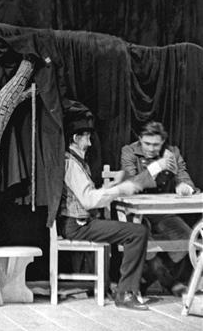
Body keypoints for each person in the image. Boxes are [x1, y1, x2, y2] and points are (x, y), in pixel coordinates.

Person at [59, 110, 151, 310]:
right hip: (77, 225)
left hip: (80, 223)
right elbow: (89, 200)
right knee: (137, 232)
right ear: (75, 139)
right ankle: (125, 294)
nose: (90, 143)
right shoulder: (71, 164)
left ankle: (121, 287)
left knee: (135, 230)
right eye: (86, 138)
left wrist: (113, 187)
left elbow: (89, 195)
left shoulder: (76, 162)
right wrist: (120, 190)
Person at [121, 120, 198, 296]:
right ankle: (169, 281)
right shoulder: (129, 151)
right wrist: (156, 167)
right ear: (140, 139)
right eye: (147, 143)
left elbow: (184, 176)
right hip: (135, 213)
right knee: (142, 237)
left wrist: (185, 187)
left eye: (156, 144)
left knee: (188, 239)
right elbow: (132, 183)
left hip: (161, 212)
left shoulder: (172, 152)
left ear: (163, 141)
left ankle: (149, 279)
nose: (151, 148)